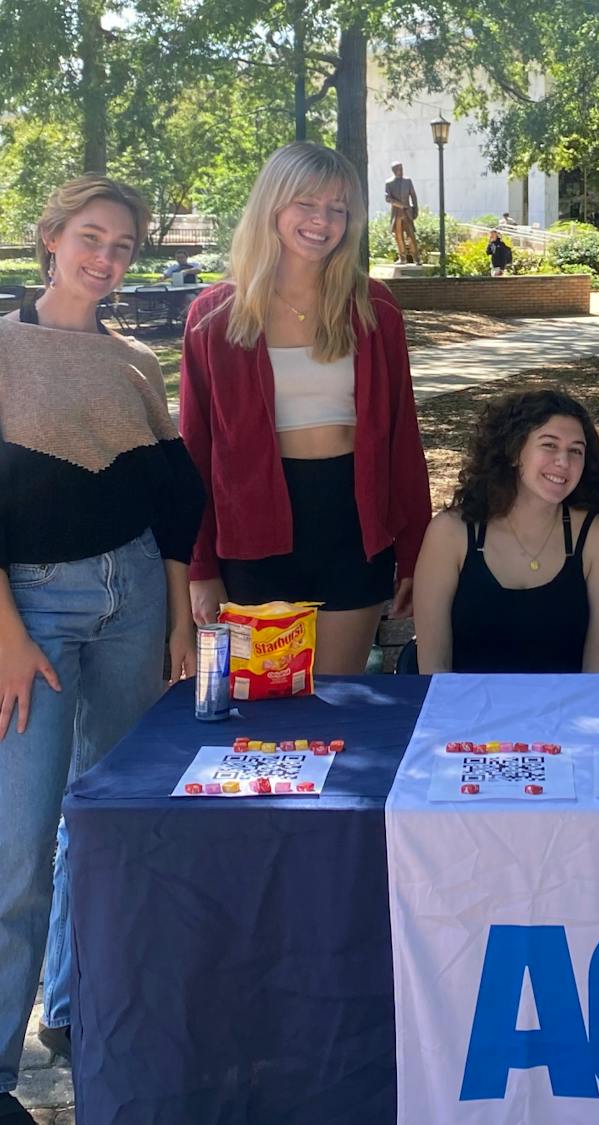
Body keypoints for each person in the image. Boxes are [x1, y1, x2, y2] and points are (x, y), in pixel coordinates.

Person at [0, 175, 203, 1121]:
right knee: (18, 847)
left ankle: (76, 1008)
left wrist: (178, 619)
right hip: (29, 613)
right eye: (91, 237)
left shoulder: (133, 363)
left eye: (123, 246)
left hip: (135, 600)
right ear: (51, 237)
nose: (106, 258)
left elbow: (171, 499)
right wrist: (6, 636)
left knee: (106, 822)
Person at [180, 142, 431, 675]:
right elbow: (196, 450)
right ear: (272, 204)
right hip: (252, 527)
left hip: (352, 524)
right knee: (264, 705)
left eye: (338, 208)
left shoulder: (374, 308)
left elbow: (402, 440)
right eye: (307, 204)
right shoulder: (215, 316)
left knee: (338, 695)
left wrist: (413, 550)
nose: (323, 221)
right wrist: (200, 566)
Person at [413, 390, 599, 673]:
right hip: (466, 702)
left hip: (568, 702)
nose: (564, 461)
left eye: (576, 450)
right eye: (549, 445)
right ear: (514, 452)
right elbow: (434, 670)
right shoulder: (450, 533)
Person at [384, 161, 420, 265]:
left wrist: (415, 209)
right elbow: (387, 198)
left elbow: (413, 195)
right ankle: (402, 258)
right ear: (394, 171)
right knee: (398, 236)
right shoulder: (389, 183)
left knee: (411, 235)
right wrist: (400, 205)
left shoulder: (407, 181)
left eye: (402, 168)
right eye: (399, 169)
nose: (401, 170)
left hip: (407, 212)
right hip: (396, 213)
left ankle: (417, 258)